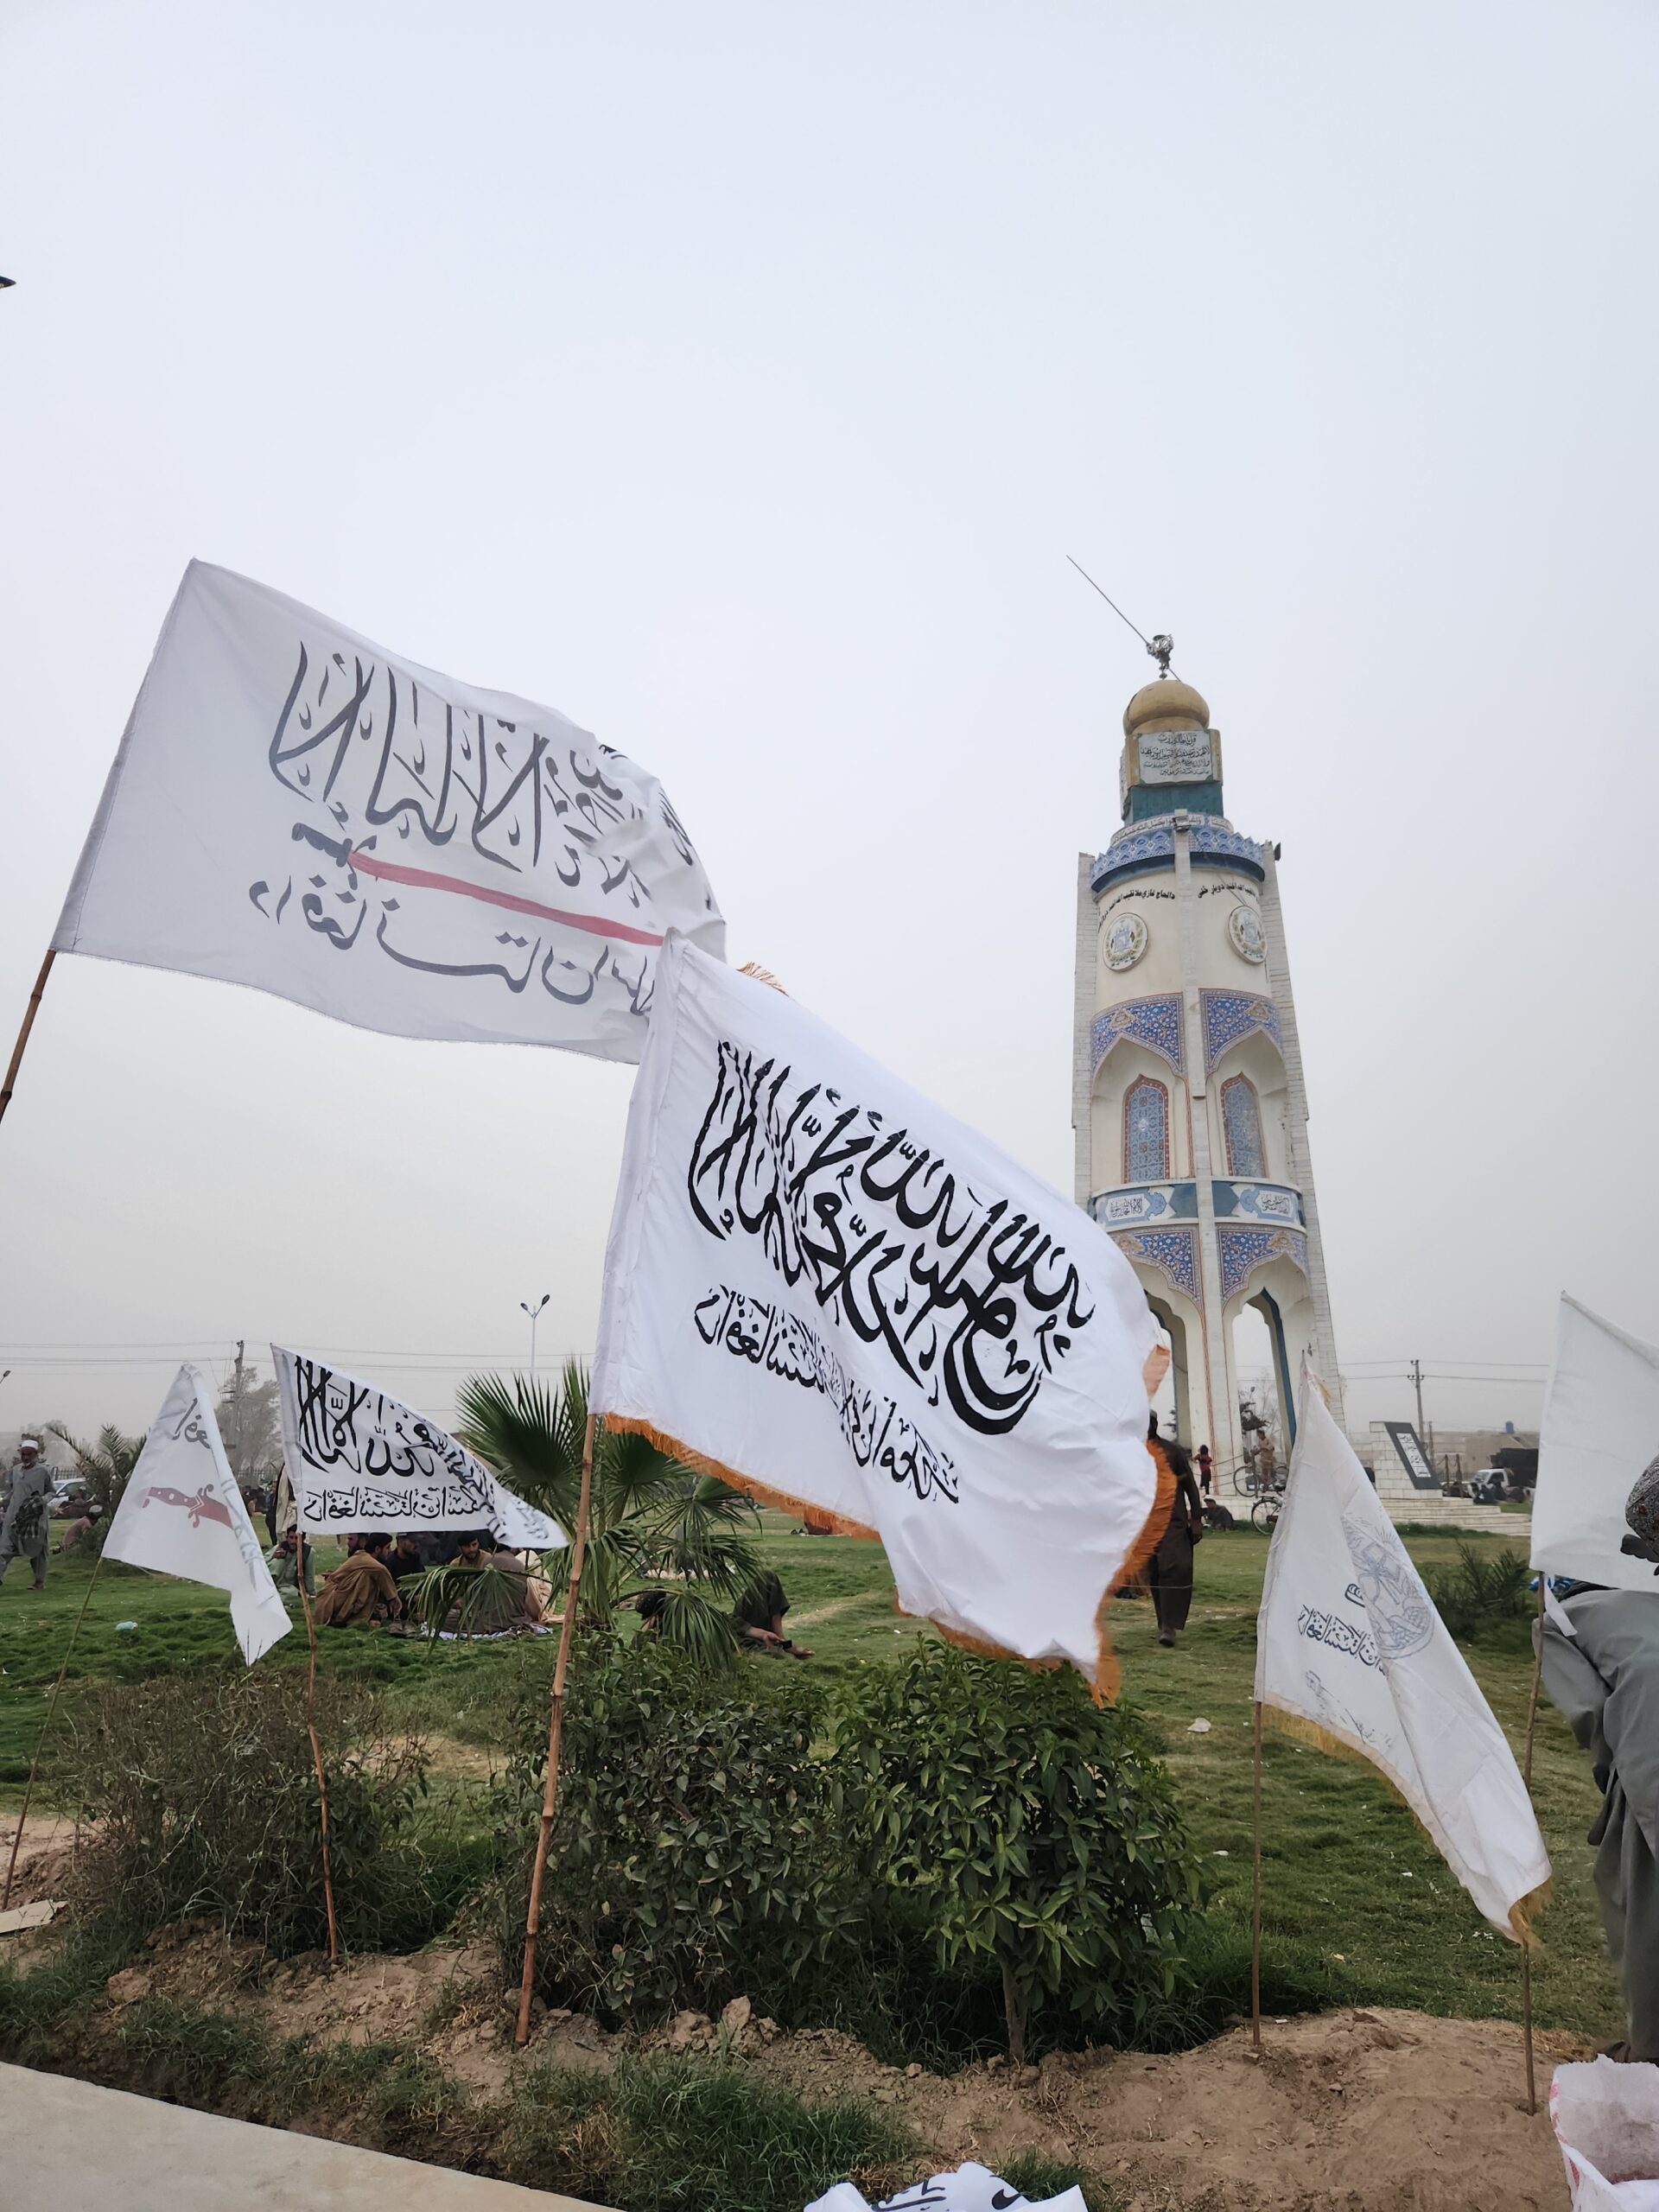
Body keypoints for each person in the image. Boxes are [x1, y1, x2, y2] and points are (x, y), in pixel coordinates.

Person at [1538, 1459, 1659, 2063]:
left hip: (1648, 1778)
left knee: (1647, 1918)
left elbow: (1594, 1720)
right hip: (1647, 1774)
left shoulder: (1589, 1624)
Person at [1145, 1414, 1205, 1648]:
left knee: (1175, 1566)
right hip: (1144, 1521)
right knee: (1154, 1571)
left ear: (1156, 1425)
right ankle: (1163, 1623)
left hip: (1173, 1519)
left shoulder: (1172, 1451)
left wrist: (1196, 1519)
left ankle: (1170, 1626)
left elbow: (1190, 1484)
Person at [312, 1531, 402, 1627]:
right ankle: (354, 1619)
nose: (390, 1551)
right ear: (377, 1549)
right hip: (329, 1602)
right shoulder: (363, 1558)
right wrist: (393, 1598)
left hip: (337, 1599)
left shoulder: (368, 1561)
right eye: (387, 1548)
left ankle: (362, 1618)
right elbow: (381, 1570)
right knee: (365, 1577)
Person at [0, 1439, 54, 1592]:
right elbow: (13, 1490)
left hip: (34, 1518)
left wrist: (41, 1501)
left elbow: (51, 1491)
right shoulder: (16, 1470)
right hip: (14, 1515)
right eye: (23, 1454)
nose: (25, 1457)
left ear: (36, 1454)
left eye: (29, 1454)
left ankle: (39, 1581)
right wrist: (4, 1502)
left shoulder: (43, 1471)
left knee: (37, 1550)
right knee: (4, 1547)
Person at [732, 1565, 812, 1657]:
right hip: (732, 1637)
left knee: (767, 1577)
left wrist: (762, 1633)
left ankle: (780, 1639)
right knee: (773, 1654)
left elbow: (725, 1619)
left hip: (735, 1626)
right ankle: (777, 1643)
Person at [264, 1525, 315, 1600]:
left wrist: (311, 1593)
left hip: (288, 1586)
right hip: (273, 1580)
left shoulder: (308, 1552)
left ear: (303, 1539)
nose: (293, 1541)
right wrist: (273, 1557)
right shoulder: (280, 1547)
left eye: (297, 1538)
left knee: (293, 1593)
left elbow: (309, 1575)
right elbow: (262, 1563)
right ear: (287, 1538)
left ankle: (272, 1598)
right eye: (291, 1538)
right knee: (278, 1562)